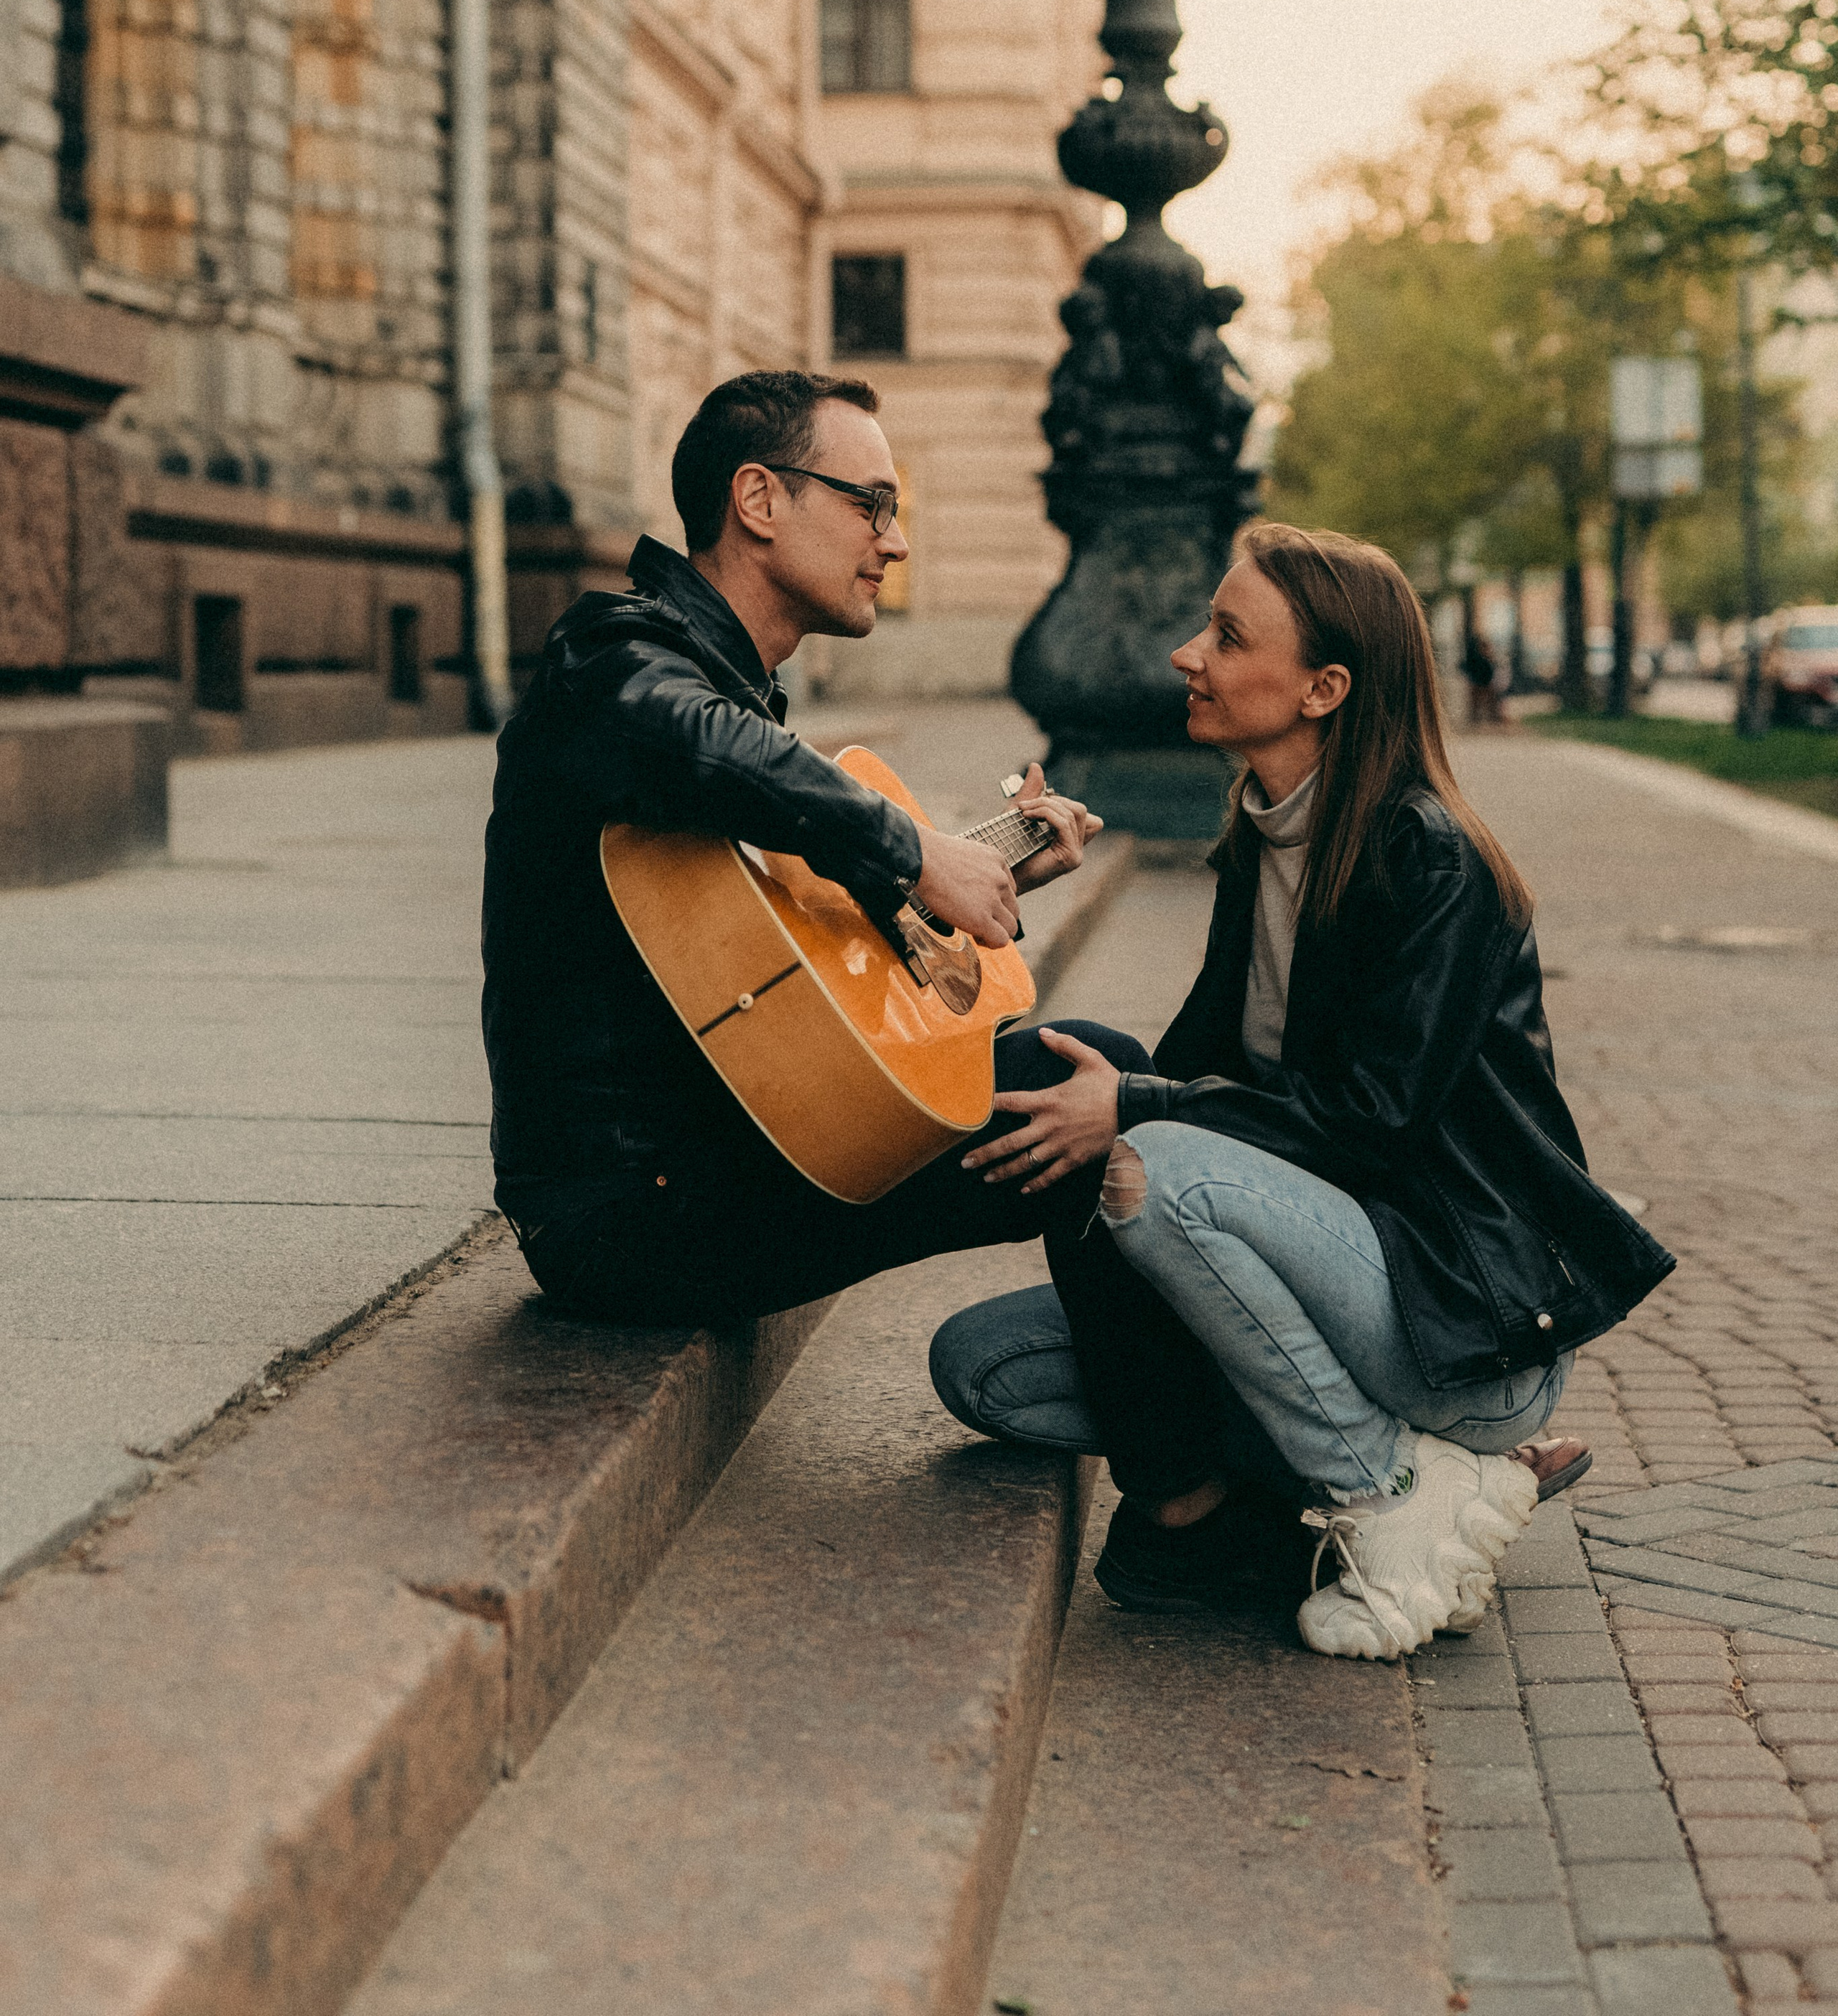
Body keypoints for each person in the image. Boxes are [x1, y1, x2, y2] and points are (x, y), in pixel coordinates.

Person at [482, 369, 1238, 1513]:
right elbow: (694, 741)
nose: (894, 541)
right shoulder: (613, 656)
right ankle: (1190, 1503)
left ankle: (1214, 1451)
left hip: (721, 1145)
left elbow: (775, 956)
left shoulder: (735, 693)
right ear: (759, 499)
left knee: (1089, 1077)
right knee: (1079, 1079)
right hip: (627, 1211)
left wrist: (982, 871)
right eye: (870, 504)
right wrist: (915, 848)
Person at [929, 521, 1674, 1661]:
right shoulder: (1266, 837)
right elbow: (1183, 1066)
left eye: (1226, 635)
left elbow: (1366, 1123)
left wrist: (1131, 1109)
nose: (1187, 654)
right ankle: (1449, 1482)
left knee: (1149, 1166)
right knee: (987, 1373)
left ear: (1325, 687)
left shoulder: (1432, 861)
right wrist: (996, 896)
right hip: (1335, 1283)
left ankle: (1377, 1491)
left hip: (1455, 1321)